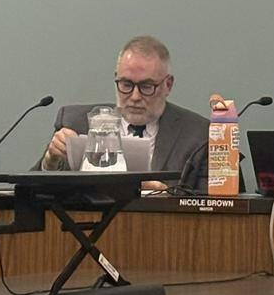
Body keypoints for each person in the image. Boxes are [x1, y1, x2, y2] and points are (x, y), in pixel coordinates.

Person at [42, 35, 210, 188]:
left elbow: (215, 210)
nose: (135, 96)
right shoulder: (75, 123)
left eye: (146, 86)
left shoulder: (198, 136)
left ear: (168, 85)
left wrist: (165, 196)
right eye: (126, 85)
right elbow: (31, 195)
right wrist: (50, 162)